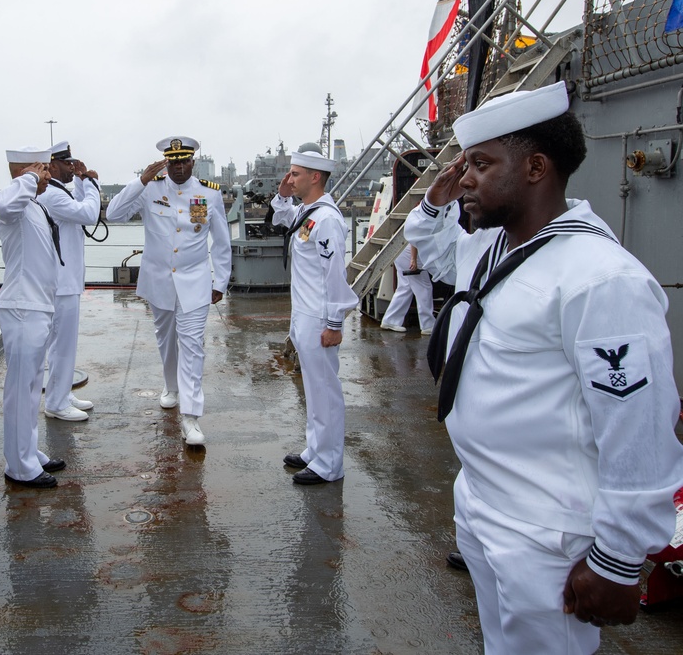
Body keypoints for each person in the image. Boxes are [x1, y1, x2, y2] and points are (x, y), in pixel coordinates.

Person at [404, 81, 683, 653]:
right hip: (482, 500)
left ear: (535, 167)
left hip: (547, 531)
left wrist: (618, 560)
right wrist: (433, 202)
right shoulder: (493, 247)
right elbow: (431, 251)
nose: (467, 181)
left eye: (481, 165)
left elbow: (641, 434)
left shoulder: (600, 279)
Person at [105, 136, 231, 446]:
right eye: (172, 162)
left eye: (183, 161)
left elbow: (222, 242)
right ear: (166, 163)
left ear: (193, 162)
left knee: (192, 346)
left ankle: (191, 418)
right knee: (166, 340)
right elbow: (113, 214)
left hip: (195, 282)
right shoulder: (150, 189)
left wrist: (220, 282)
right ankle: (171, 386)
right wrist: (141, 180)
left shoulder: (208, 195)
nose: (178, 167)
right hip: (159, 280)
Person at [270, 151, 358, 485]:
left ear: (315, 177)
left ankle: (330, 464)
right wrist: (282, 194)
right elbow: (282, 218)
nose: (290, 179)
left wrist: (335, 324)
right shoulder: (309, 213)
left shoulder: (327, 220)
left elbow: (335, 274)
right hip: (304, 315)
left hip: (320, 319)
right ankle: (315, 450)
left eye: (295, 174)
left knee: (325, 392)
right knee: (313, 388)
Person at [0, 147, 68, 488]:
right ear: (21, 172)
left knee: (30, 389)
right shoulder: (12, 203)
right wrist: (27, 177)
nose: (47, 176)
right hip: (23, 308)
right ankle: (20, 467)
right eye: (42, 170)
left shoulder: (34, 206)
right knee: (20, 390)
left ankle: (29, 452)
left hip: (39, 306)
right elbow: (5, 204)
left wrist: (34, 179)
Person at [39, 141, 101, 421]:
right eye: (67, 163)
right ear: (52, 165)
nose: (72, 167)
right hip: (61, 283)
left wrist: (79, 180)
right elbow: (88, 213)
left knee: (61, 345)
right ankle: (56, 402)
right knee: (62, 345)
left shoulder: (56, 191)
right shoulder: (52, 196)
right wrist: (90, 183)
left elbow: (76, 205)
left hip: (65, 279)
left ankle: (61, 392)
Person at [379, 244, 434, 334]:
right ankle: (428, 324)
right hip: (410, 252)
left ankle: (390, 320)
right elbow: (414, 238)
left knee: (405, 287)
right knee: (424, 287)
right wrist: (413, 259)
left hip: (400, 250)